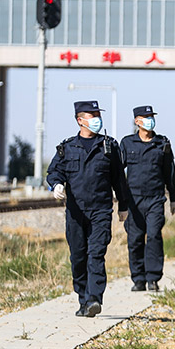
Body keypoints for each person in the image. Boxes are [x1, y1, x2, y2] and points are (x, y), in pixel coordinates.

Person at [47, 100, 129, 317]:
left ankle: (94, 298)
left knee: (96, 254)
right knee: (78, 257)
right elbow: (54, 171)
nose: (96, 119)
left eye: (97, 115)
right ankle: (83, 299)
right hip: (76, 212)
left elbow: (119, 179)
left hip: (101, 210)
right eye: (91, 116)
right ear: (79, 120)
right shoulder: (67, 147)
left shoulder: (109, 146)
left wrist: (123, 205)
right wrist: (56, 184)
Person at [120, 105, 175, 292]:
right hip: (134, 201)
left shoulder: (162, 143)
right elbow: (117, 172)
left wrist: (174, 197)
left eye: (151, 116)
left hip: (155, 199)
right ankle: (138, 279)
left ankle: (153, 278)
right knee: (135, 239)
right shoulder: (127, 143)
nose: (150, 120)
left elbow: (170, 173)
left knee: (154, 236)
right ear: (137, 121)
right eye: (145, 117)